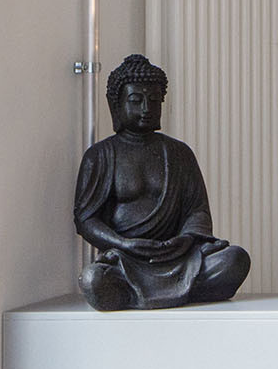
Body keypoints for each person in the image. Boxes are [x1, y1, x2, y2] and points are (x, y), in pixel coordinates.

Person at [74, 53, 252, 310]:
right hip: (126, 258)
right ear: (116, 105)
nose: (146, 109)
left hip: (177, 255)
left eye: (154, 100)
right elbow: (86, 219)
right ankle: (159, 292)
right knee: (93, 280)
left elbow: (197, 210)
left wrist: (186, 239)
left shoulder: (179, 153)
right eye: (136, 101)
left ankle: (149, 293)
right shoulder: (101, 156)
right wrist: (123, 244)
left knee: (235, 259)